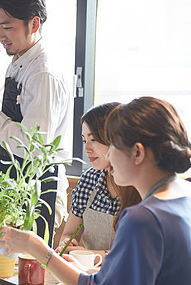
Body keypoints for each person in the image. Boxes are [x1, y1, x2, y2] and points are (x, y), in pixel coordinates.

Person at [0, 96, 191, 284]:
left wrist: (35, 245)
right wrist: (91, 273)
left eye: (112, 146)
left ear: (137, 152)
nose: (109, 156)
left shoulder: (143, 218)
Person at [0, 0, 72, 245]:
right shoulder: (21, 61)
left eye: (7, 27)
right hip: (15, 186)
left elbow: (35, 147)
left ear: (33, 24)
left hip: (38, 191)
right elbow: (21, 127)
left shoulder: (42, 73)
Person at [56, 103, 141, 261]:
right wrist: (67, 244)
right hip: (89, 273)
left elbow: (136, 252)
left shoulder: (141, 186)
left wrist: (93, 256)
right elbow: (68, 234)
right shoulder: (89, 179)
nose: (87, 149)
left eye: (93, 139)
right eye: (83, 141)